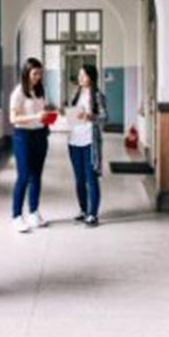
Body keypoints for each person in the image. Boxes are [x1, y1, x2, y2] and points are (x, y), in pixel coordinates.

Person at [9, 57, 53, 233]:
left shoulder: (40, 91)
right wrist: (36, 117)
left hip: (40, 135)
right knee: (23, 176)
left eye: (40, 73)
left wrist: (48, 117)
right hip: (23, 137)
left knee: (37, 175)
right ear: (26, 73)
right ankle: (16, 216)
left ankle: (34, 212)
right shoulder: (18, 92)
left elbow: (42, 113)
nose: (37, 77)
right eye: (35, 73)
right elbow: (13, 119)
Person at [64, 63, 108, 227]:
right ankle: (83, 210)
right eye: (79, 75)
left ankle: (93, 214)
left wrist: (90, 117)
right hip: (74, 141)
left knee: (91, 178)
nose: (80, 78)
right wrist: (69, 114)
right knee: (79, 179)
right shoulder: (75, 94)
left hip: (90, 141)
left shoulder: (97, 95)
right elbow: (74, 118)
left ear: (91, 77)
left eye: (84, 75)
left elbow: (105, 117)